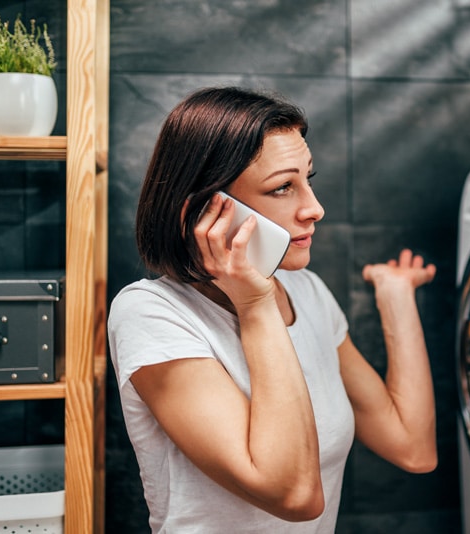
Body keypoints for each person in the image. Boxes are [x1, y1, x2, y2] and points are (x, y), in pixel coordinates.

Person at [107, 86, 438, 533]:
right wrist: (256, 304)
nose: (314, 208)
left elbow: (413, 448)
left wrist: (396, 298)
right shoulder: (151, 313)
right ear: (203, 211)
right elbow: (295, 495)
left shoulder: (307, 291)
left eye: (308, 180)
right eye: (283, 187)